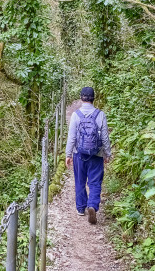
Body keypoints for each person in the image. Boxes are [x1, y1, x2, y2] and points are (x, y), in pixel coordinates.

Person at [65, 86, 111, 225]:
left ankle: (80, 208)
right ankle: (92, 205)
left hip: (79, 154)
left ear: (81, 98)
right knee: (95, 182)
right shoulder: (100, 115)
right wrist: (107, 153)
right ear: (93, 98)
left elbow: (71, 137)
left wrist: (68, 154)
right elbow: (105, 137)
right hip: (96, 155)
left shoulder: (75, 115)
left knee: (80, 181)